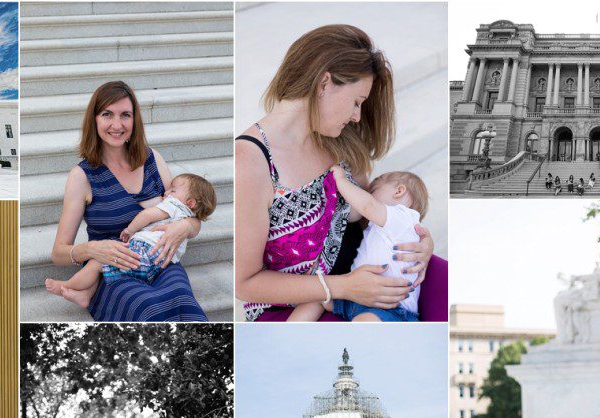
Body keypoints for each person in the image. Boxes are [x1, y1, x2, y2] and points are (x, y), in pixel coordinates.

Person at [235, 24, 433, 322]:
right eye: (356, 102)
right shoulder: (250, 161)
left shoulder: (341, 141)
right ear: (324, 83)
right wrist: (344, 288)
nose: (356, 116)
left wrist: (421, 243)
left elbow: (375, 212)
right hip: (292, 311)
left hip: (368, 285)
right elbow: (245, 283)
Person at [48, 81, 206, 322]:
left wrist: (185, 227)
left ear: (135, 120)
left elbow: (186, 212)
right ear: (94, 120)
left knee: (185, 305)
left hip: (161, 262)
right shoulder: (82, 176)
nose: (117, 125)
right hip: (113, 268)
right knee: (146, 307)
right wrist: (92, 249)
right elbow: (59, 254)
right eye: (107, 114)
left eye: (125, 115)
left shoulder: (153, 160)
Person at [289, 168, 428, 322]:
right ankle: (291, 333)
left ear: (399, 191)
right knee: (315, 296)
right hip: (356, 297)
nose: (368, 195)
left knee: (366, 322)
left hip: (390, 308)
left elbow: (367, 205)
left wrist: (342, 181)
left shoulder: (403, 217)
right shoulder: (381, 226)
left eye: (373, 190)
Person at [46, 174, 216, 297]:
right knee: (104, 268)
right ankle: (85, 295)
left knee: (97, 262)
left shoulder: (173, 205)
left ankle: (68, 286)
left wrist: (130, 230)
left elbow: (148, 215)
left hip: (144, 251)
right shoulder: (188, 214)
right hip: (159, 263)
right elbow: (193, 225)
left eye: (173, 190)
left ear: (190, 202)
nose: (166, 192)